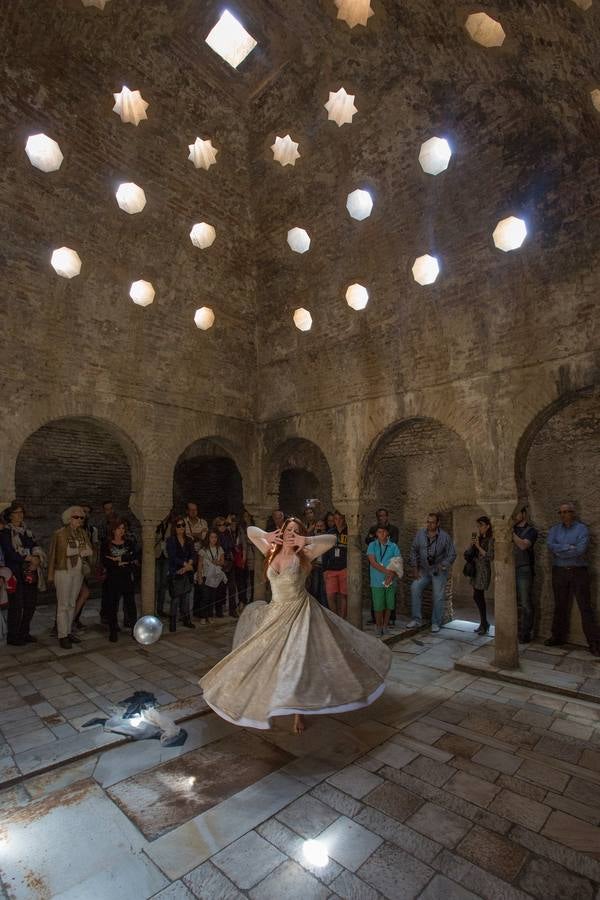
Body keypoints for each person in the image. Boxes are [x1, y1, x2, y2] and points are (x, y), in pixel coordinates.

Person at [200, 517, 391, 735]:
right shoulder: (270, 550)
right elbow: (251, 531)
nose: (291, 532)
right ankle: (271, 700)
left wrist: (306, 538)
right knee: (265, 659)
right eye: (288, 529)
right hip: (275, 613)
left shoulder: (305, 554)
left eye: (295, 530)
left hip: (300, 612)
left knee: (296, 662)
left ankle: (299, 712)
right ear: (282, 531)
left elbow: (331, 539)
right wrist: (265, 535)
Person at [545, 502, 599, 656]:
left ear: (573, 513)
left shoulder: (581, 529)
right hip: (559, 571)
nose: (564, 514)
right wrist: (569, 547)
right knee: (560, 606)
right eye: (561, 512)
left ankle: (594, 643)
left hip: (578, 571)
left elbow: (581, 550)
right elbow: (550, 546)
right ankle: (558, 637)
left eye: (567, 511)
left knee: (585, 607)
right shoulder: (555, 529)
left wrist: (560, 549)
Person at [47, 507, 93, 649]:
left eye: (81, 518)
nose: (79, 520)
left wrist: (78, 550)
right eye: (76, 517)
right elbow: (61, 552)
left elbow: (90, 550)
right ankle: (62, 635)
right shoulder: (60, 534)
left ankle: (68, 632)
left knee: (72, 603)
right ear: (69, 518)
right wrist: (79, 550)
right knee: (63, 605)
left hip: (77, 572)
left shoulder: (82, 533)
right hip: (63, 571)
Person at [0, 501, 45, 646]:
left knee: (30, 604)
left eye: (22, 512)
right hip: (16, 573)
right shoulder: (5, 533)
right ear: (10, 516)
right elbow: (10, 553)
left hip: (30, 571)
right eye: (17, 513)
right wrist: (28, 557)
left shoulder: (27, 532)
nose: (20, 515)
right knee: (16, 606)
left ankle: (24, 632)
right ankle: (13, 636)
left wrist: (37, 559)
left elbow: (35, 546)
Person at [408, 513, 456, 633]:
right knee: (414, 587)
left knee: (438, 596)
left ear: (438, 523)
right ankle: (416, 619)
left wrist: (443, 564)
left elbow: (452, 554)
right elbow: (414, 550)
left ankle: (436, 623)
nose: (429, 524)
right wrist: (414, 567)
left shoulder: (445, 537)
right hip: (424, 569)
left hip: (438, 570)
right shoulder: (420, 534)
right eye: (428, 522)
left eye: (432, 522)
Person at [102, 518, 137, 642]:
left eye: (123, 528)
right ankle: (113, 630)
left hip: (126, 576)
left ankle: (134, 629)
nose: (121, 531)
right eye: (118, 528)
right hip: (113, 578)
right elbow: (105, 560)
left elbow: (133, 557)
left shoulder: (129, 543)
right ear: (113, 529)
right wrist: (117, 563)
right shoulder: (107, 544)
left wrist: (118, 558)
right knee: (112, 604)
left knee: (130, 604)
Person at [365, 509, 400, 626]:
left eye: (383, 515)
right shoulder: (373, 532)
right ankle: (377, 621)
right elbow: (367, 540)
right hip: (377, 574)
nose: (381, 517)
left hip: (390, 570)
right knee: (377, 598)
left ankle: (389, 620)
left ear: (387, 516)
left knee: (390, 599)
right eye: (379, 516)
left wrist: (391, 573)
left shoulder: (394, 529)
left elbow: (393, 542)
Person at [463, 516, 494, 635]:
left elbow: (490, 556)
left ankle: (484, 623)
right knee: (477, 596)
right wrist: (471, 545)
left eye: (481, 525)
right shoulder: (479, 539)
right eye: (478, 526)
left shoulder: (491, 539)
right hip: (475, 570)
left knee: (478, 596)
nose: (479, 528)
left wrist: (478, 547)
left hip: (483, 571)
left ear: (487, 526)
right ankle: (484, 623)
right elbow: (467, 554)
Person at [512, 507, 538, 643]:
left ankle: (525, 633)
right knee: (512, 602)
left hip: (524, 569)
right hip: (510, 569)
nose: (514, 515)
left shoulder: (531, 531)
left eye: (517, 512)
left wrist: (509, 531)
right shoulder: (513, 529)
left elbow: (523, 545)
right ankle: (513, 630)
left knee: (525, 602)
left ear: (524, 514)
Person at [166, 518, 196, 630]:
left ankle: (186, 619)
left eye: (183, 525)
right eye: (179, 525)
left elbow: (193, 554)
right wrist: (185, 565)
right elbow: (173, 557)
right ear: (174, 527)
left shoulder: (189, 540)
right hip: (176, 571)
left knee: (186, 597)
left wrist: (189, 565)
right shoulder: (171, 540)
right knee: (176, 598)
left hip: (187, 571)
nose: (181, 527)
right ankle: (172, 622)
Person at [322, 510, 348, 618]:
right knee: (330, 595)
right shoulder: (330, 533)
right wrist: (324, 569)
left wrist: (349, 567)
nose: (338, 521)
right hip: (331, 569)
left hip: (344, 569)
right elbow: (324, 551)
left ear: (344, 519)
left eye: (340, 518)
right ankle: (335, 617)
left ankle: (342, 619)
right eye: (336, 519)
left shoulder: (349, 532)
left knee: (343, 595)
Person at [198, 528, 227, 622]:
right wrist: (199, 577)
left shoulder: (220, 549)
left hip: (215, 576)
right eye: (211, 537)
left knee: (212, 597)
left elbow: (223, 562)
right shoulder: (203, 550)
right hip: (205, 575)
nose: (214, 539)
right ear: (208, 538)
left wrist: (217, 562)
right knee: (205, 597)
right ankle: (203, 616)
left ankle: (209, 616)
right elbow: (199, 564)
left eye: (215, 537)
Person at [215, 516, 237, 617]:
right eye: (220, 525)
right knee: (220, 587)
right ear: (216, 526)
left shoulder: (228, 533)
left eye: (224, 524)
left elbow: (231, 545)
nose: (222, 526)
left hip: (229, 562)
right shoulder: (216, 536)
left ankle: (233, 610)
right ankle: (219, 610)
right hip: (220, 563)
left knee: (232, 587)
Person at [227, 514, 248, 609]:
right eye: (231, 521)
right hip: (230, 558)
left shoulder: (240, 531)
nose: (233, 523)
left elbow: (244, 545)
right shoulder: (227, 531)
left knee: (241, 582)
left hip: (239, 558)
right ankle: (232, 604)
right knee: (231, 583)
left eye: (234, 521)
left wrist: (244, 558)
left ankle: (242, 601)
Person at [154, 510, 173, 618]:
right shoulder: (155, 524)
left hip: (166, 556)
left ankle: (160, 608)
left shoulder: (171, 526)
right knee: (156, 583)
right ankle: (152, 607)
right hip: (156, 556)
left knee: (163, 583)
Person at [307, 518, 328, 607]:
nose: (319, 528)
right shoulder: (311, 539)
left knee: (324, 591)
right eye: (317, 526)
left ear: (325, 528)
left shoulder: (327, 539)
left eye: (321, 526)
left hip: (325, 567)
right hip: (315, 567)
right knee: (314, 589)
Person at [241, 508, 255, 604]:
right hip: (245, 554)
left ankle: (253, 598)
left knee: (253, 578)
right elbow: (243, 542)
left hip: (253, 555)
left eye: (247, 516)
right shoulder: (242, 527)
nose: (246, 518)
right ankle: (244, 599)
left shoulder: (254, 526)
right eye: (244, 516)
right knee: (244, 579)